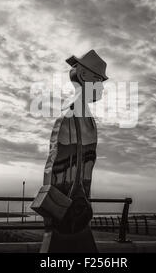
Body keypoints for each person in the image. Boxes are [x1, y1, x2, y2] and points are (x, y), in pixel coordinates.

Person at [40, 49, 108, 253]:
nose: (101, 87)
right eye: (98, 79)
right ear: (84, 76)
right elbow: (55, 165)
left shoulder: (87, 120)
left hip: (78, 211)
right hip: (68, 213)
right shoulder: (70, 118)